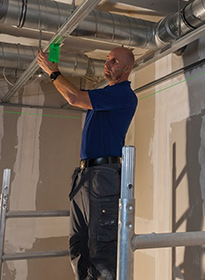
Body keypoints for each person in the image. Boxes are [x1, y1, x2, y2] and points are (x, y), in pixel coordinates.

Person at [38, 46, 138, 280]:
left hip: (104, 177)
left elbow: (74, 98)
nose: (108, 63)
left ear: (127, 68)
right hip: (84, 176)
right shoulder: (104, 95)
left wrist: (53, 72)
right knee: (78, 247)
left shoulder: (123, 95)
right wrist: (54, 66)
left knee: (102, 253)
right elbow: (71, 92)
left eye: (114, 61)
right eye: (107, 59)